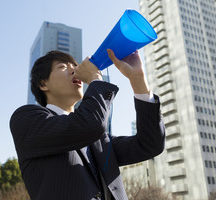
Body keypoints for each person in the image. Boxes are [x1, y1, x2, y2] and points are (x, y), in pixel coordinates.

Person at [10, 49, 165, 200]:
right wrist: (95, 80)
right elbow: (88, 125)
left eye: (75, 66)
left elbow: (150, 144)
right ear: (43, 83)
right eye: (63, 67)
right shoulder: (26, 119)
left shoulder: (100, 140)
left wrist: (137, 78)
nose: (75, 70)